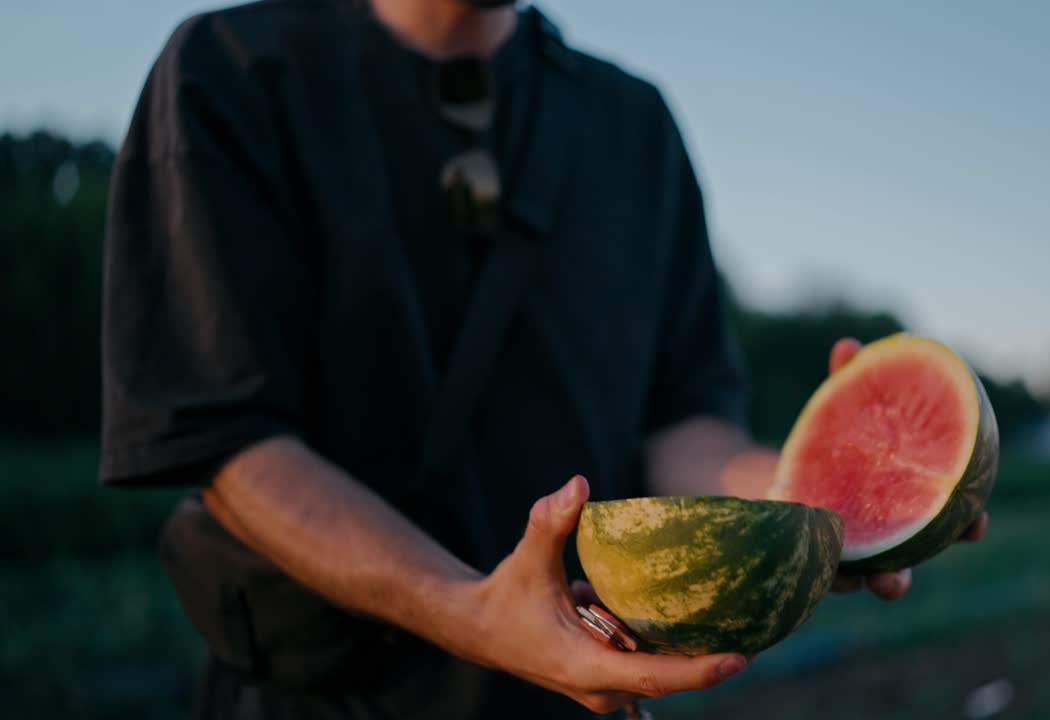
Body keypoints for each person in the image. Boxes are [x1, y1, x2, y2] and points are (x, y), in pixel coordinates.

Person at [99, 0, 987, 717]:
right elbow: (229, 437)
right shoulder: (230, 69)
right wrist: (464, 608)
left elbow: (680, 423)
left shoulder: (634, 126)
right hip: (318, 696)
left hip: (574, 699)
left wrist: (826, 495)